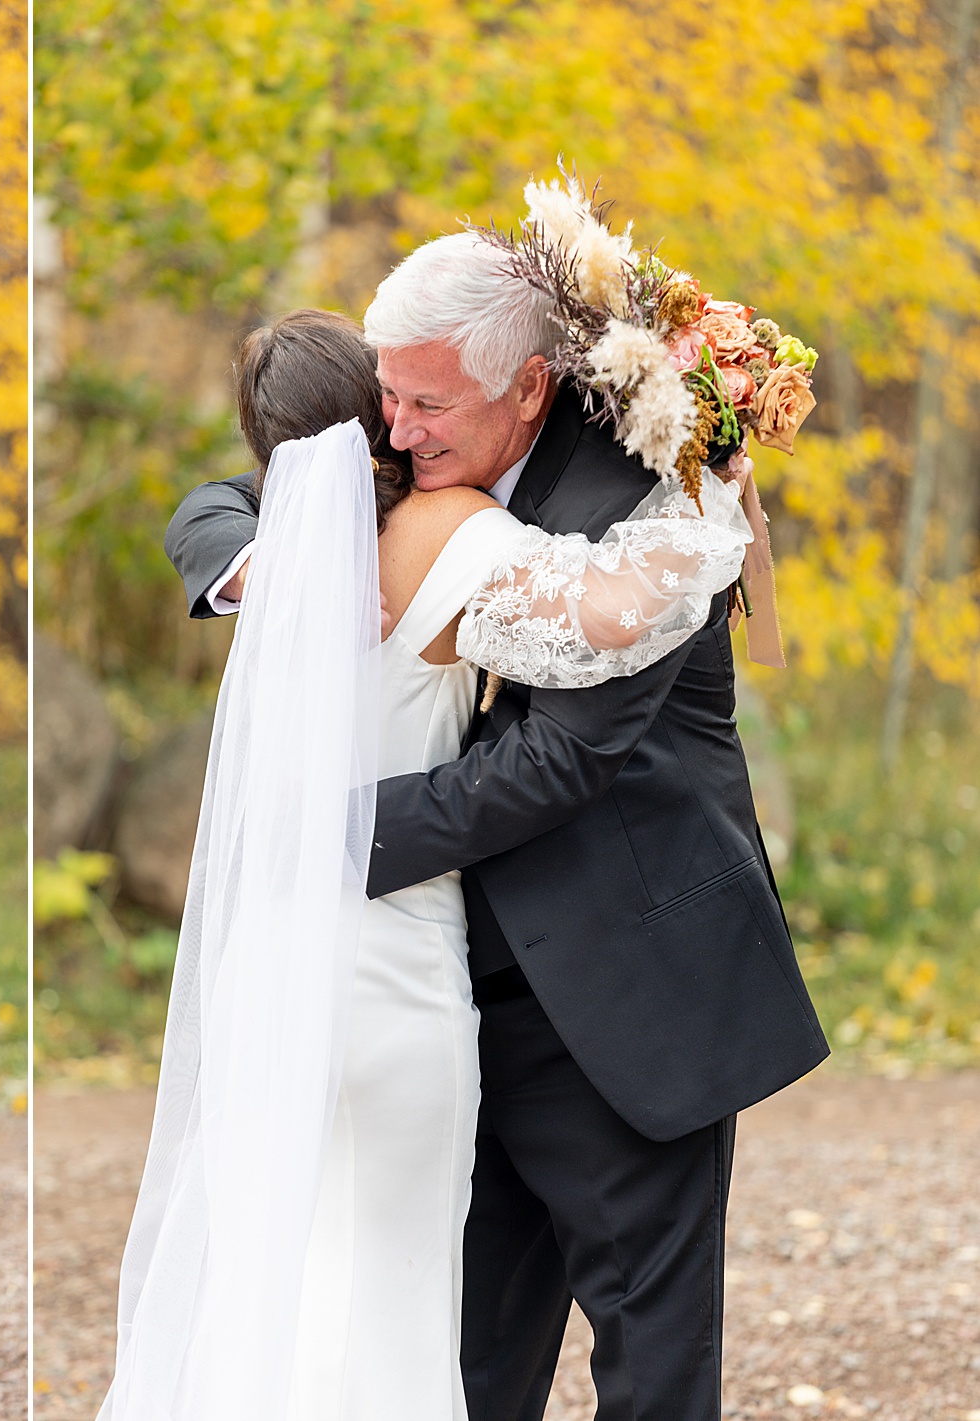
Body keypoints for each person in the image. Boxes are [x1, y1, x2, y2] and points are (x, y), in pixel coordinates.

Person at [154, 238, 829, 1421]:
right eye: (386, 400)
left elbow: (562, 754)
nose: (396, 428)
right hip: (446, 990)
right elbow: (227, 496)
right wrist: (245, 564)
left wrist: (318, 834)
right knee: (453, 1356)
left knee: (650, 1360)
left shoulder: (644, 495)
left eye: (424, 404)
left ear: (527, 385)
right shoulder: (404, 468)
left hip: (623, 988)